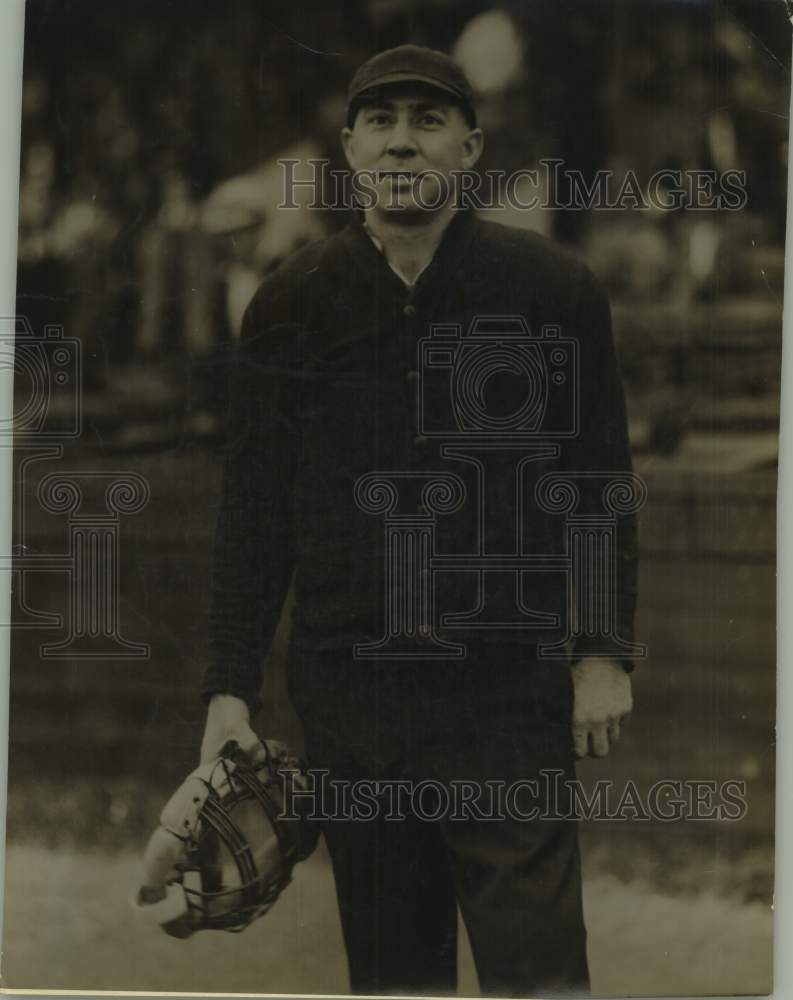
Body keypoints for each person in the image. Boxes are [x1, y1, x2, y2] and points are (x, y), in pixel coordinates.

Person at [200, 44, 638, 997]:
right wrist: (229, 686)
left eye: (428, 120)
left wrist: (601, 651)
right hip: (357, 700)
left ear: (471, 147)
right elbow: (254, 511)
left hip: (505, 697)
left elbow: (596, 482)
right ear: (350, 146)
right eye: (383, 121)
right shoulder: (289, 307)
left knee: (541, 977)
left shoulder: (550, 292)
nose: (404, 141)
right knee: (398, 980)